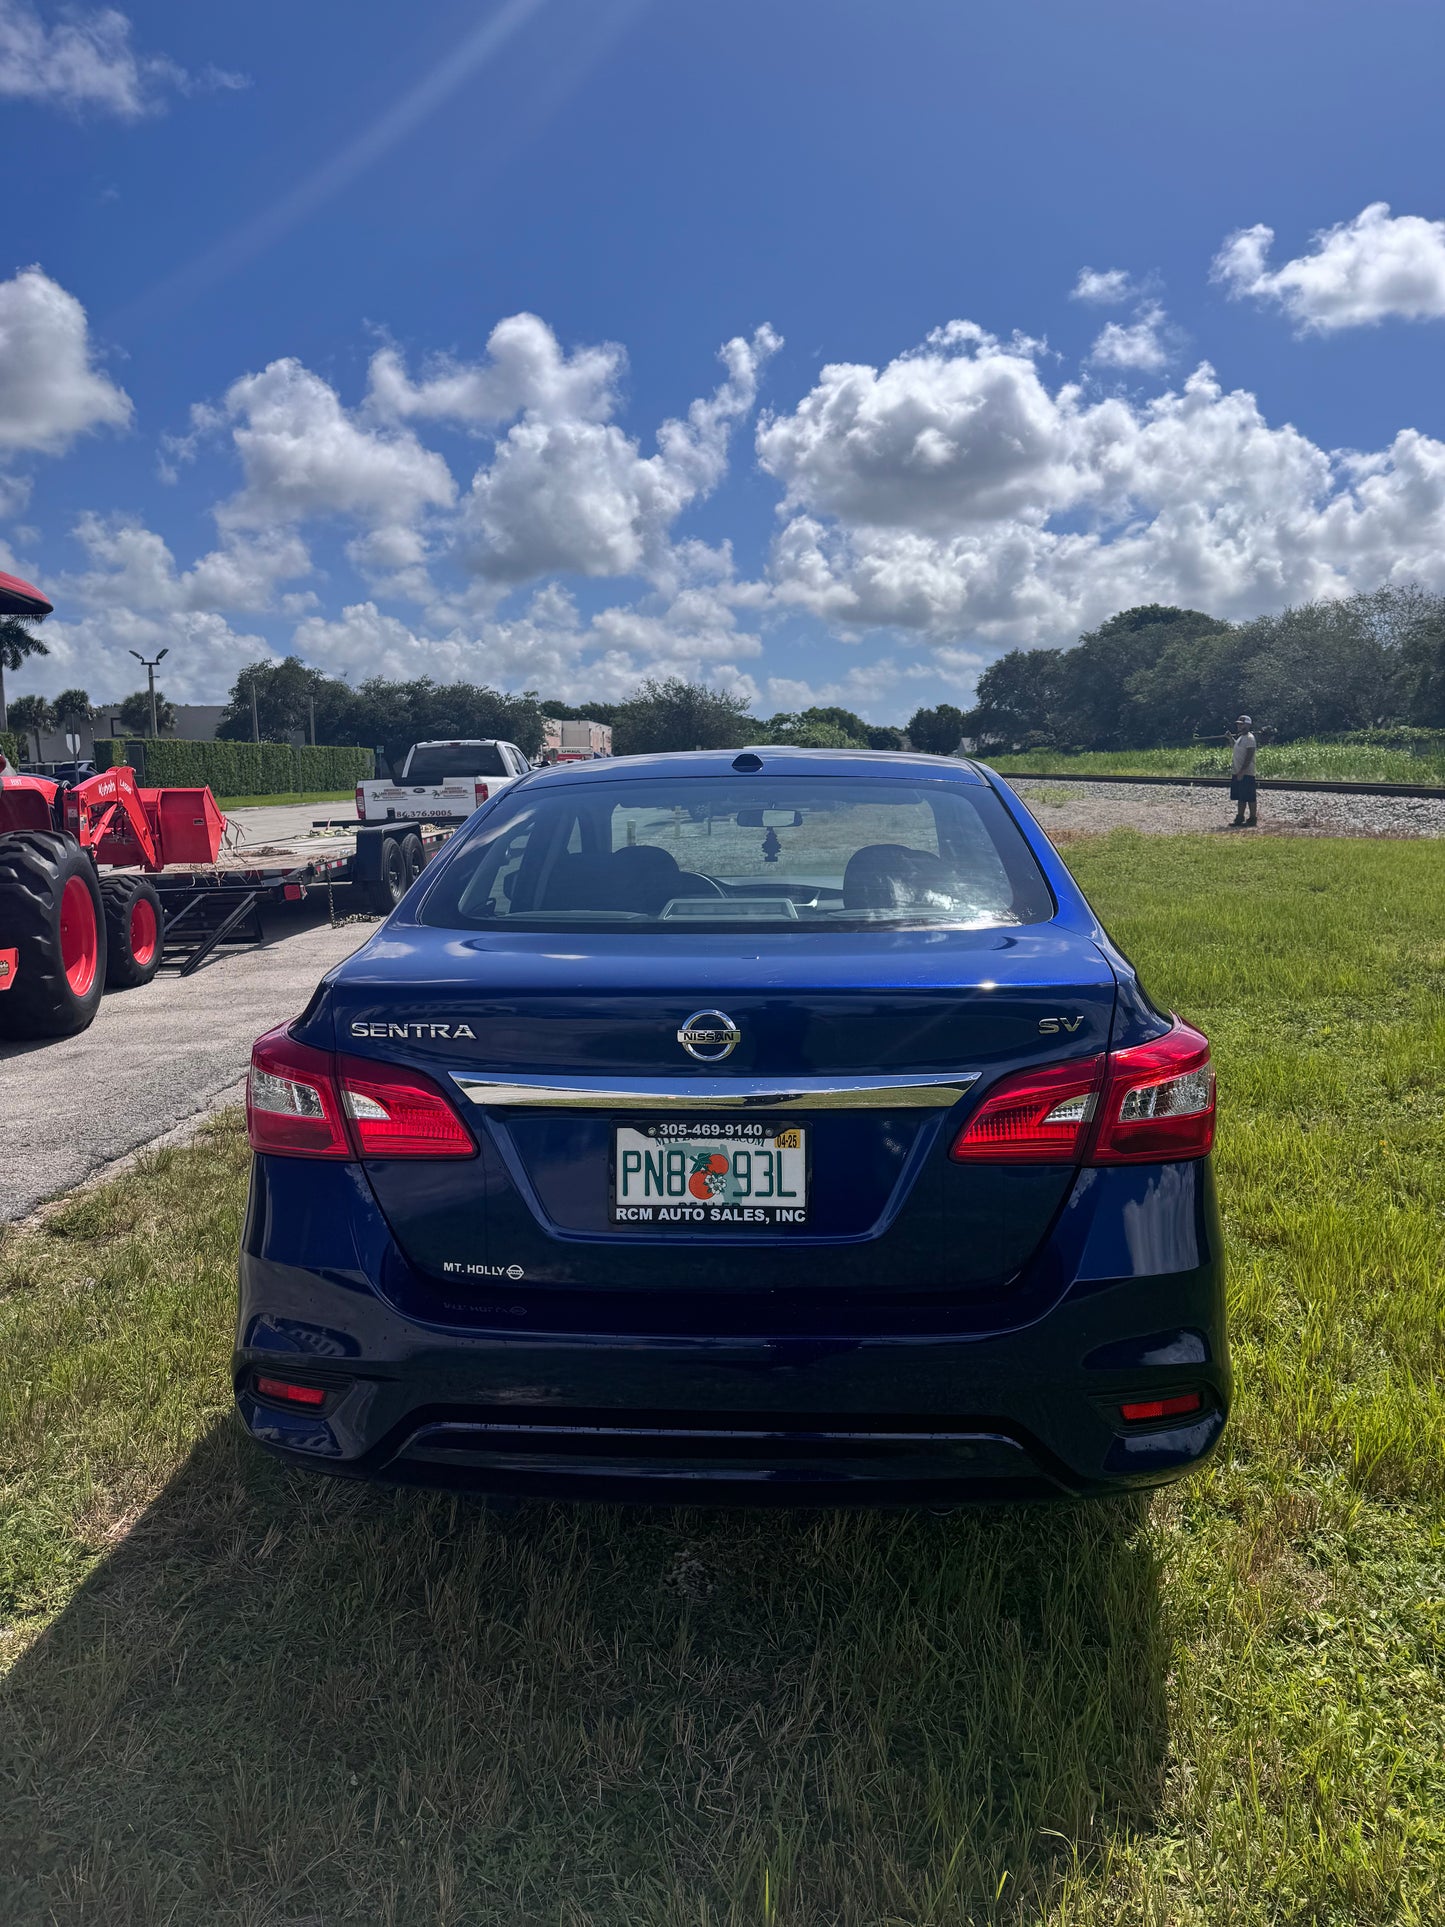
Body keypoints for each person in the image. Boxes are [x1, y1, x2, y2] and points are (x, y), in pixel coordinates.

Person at [1228, 714, 1258, 827]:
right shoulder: (1241, 738)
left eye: (1241, 724)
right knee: (1241, 797)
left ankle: (1252, 818)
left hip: (1246, 773)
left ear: (1247, 725)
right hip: (1237, 771)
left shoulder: (1250, 738)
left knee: (1249, 797)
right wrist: (1230, 738)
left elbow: (1249, 757)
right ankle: (1239, 818)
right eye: (1238, 724)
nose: (1239, 726)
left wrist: (1242, 771)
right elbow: (1235, 746)